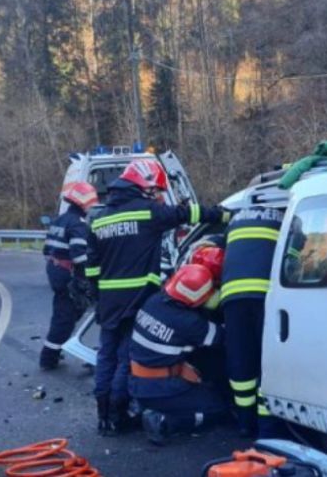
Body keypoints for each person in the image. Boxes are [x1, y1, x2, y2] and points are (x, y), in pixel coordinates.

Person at [85, 159, 228, 436]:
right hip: (136, 299)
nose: (159, 196)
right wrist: (222, 217)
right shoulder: (147, 212)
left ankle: (103, 416)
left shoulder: (99, 218)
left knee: (106, 356)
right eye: (157, 191)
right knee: (126, 359)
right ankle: (119, 415)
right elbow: (187, 213)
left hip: (108, 302)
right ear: (146, 187)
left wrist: (97, 296)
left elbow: (91, 267)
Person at [130, 255, 228, 446]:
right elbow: (222, 338)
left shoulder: (154, 301)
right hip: (161, 387)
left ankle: (142, 406)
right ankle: (165, 421)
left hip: (138, 381)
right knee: (217, 408)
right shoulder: (189, 322)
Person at [220, 204, 285, 438]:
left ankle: (245, 424)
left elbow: (223, 250)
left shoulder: (236, 219)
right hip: (266, 296)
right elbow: (295, 257)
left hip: (232, 297)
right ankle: (268, 429)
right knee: (267, 362)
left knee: (241, 362)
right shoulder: (285, 218)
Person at [39, 182, 99, 370]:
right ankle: (49, 358)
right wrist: (86, 279)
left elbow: (46, 250)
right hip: (68, 274)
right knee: (65, 316)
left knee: (65, 313)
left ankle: (53, 352)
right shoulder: (78, 224)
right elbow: (80, 256)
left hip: (56, 270)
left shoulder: (59, 220)